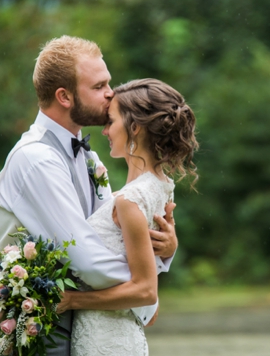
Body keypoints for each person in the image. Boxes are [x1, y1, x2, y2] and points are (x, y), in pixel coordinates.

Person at [0, 36, 179, 356]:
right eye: (99, 86)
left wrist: (165, 249)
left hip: (76, 317)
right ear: (64, 96)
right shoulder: (36, 159)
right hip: (37, 324)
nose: (111, 94)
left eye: (109, 83)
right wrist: (144, 293)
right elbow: (86, 257)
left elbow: (112, 239)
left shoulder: (89, 159)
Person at [57, 78, 198, 356]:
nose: (105, 130)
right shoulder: (162, 185)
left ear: (135, 127)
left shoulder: (130, 200)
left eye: (110, 122)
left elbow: (146, 292)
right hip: (122, 331)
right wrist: (169, 249)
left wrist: (72, 300)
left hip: (105, 337)